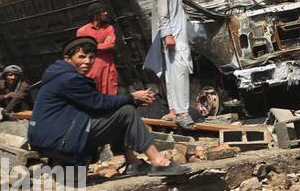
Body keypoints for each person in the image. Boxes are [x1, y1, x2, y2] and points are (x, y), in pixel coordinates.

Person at [28, 36, 186, 175]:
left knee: (119, 112)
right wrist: (132, 97)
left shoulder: (60, 75)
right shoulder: (69, 79)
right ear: (67, 59)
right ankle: (159, 161)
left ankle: (133, 163)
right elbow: (98, 103)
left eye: (91, 57)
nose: (87, 62)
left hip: (52, 137)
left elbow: (96, 105)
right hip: (59, 139)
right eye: (81, 57)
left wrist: (132, 100)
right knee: (127, 112)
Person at [150, 0, 195, 128]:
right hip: (173, 35)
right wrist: (167, 34)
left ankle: (174, 111)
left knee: (172, 72)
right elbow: (162, 11)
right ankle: (183, 113)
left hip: (177, 33)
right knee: (180, 71)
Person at [76, 3, 119, 95]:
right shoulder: (82, 31)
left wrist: (93, 45)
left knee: (111, 93)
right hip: (92, 68)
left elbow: (111, 44)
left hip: (108, 66)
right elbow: (84, 48)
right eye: (103, 11)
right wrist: (103, 45)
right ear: (95, 14)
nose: (106, 13)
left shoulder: (109, 28)